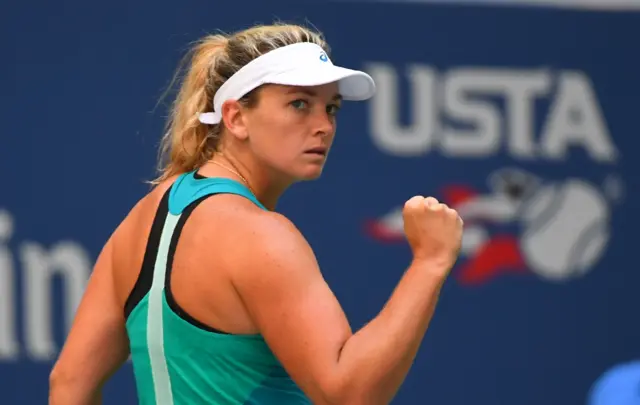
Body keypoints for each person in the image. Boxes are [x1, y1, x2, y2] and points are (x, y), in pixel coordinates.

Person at [48, 23, 463, 405]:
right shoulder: (260, 235)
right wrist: (430, 262)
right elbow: (348, 393)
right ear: (235, 116)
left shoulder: (143, 217)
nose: (323, 125)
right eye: (299, 104)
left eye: (331, 108)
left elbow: (69, 383)